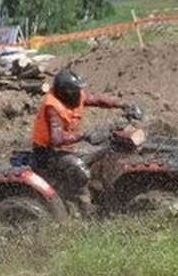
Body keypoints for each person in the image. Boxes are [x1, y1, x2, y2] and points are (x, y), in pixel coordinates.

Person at [30, 68, 137, 214]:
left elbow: (97, 99)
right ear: (66, 92)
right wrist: (84, 135)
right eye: (75, 90)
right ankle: (84, 209)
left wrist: (122, 104)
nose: (79, 94)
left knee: (104, 150)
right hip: (47, 153)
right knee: (79, 171)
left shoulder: (74, 96)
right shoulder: (53, 106)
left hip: (67, 147)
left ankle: (101, 191)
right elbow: (56, 139)